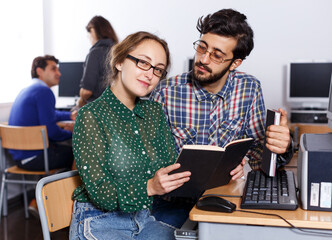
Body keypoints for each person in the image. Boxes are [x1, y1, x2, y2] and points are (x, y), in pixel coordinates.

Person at [149, 8, 293, 228]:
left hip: (225, 197)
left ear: (235, 63)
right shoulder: (165, 92)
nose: (203, 59)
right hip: (172, 203)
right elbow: (146, 159)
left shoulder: (249, 88)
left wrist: (280, 145)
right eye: (202, 48)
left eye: (216, 55)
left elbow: (257, 155)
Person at [69, 31, 191, 240]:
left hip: (144, 218)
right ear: (118, 61)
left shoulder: (155, 112)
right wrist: (150, 186)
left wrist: (217, 169)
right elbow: (101, 193)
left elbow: (170, 167)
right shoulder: (91, 115)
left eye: (158, 69)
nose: (150, 74)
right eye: (143, 63)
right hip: (99, 219)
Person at [8, 55, 76, 171]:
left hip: (20, 158)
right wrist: (73, 132)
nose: (59, 73)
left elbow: (50, 114)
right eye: (53, 69)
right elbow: (51, 132)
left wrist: (69, 115)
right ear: (39, 71)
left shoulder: (28, 89)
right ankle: (74, 189)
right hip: (36, 158)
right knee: (81, 153)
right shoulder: (44, 91)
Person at [77, 15, 119, 107]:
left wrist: (80, 100)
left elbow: (86, 92)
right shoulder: (119, 51)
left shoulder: (95, 53)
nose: (89, 38)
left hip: (98, 110)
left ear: (92, 30)